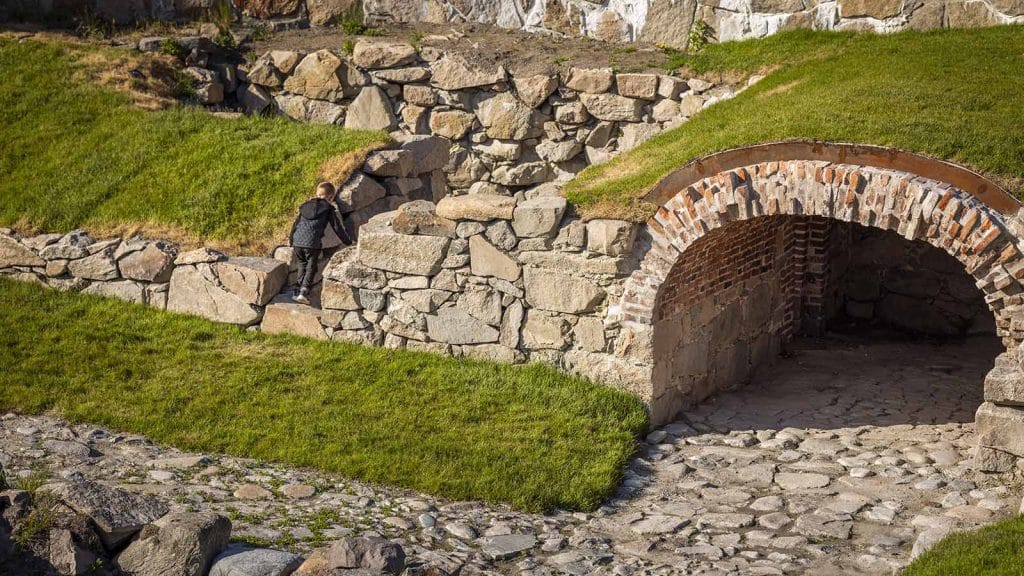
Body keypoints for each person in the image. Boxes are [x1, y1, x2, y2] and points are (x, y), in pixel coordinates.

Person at [288, 182, 351, 304]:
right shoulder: (328, 209)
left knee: (302, 264)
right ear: (331, 197)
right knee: (312, 266)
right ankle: (304, 292)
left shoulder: (305, 206)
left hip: (297, 241)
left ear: (317, 194)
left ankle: (297, 291)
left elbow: (295, 224)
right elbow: (337, 227)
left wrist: (291, 240)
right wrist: (348, 242)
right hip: (312, 243)